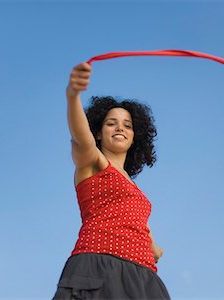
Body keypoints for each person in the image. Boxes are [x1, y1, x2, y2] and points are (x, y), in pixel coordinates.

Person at [52, 62, 171, 300]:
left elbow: (135, 220)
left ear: (134, 137)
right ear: (97, 131)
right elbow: (80, 138)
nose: (120, 128)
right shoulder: (92, 161)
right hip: (99, 264)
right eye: (111, 123)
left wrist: (153, 246)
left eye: (127, 125)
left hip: (144, 276)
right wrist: (73, 96)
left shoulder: (133, 186)